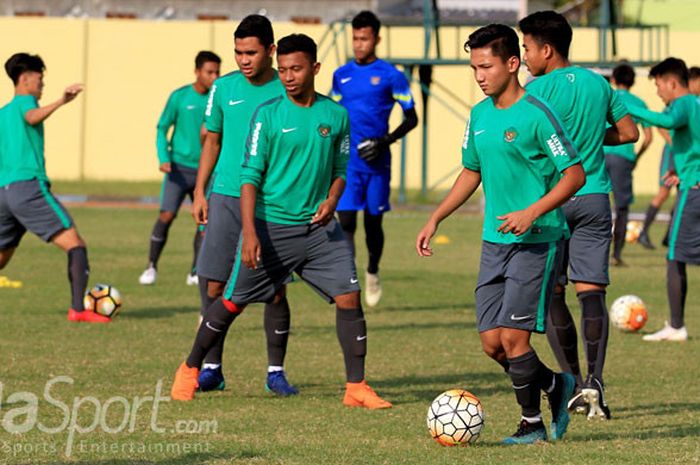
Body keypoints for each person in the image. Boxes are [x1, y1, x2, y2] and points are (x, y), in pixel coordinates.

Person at [171, 34, 391, 409]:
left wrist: (333, 199)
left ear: (315, 69)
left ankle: (356, 387)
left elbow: (340, 169)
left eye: (297, 68)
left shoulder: (335, 116)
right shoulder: (268, 115)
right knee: (231, 302)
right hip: (272, 227)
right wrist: (252, 233)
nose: (288, 76)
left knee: (349, 297)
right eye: (284, 69)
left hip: (320, 229)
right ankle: (190, 369)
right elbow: (249, 178)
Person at [417, 24, 585, 444]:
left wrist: (533, 211)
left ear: (512, 64)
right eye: (474, 67)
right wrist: (436, 216)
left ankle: (532, 424)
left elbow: (574, 174)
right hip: (495, 243)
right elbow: (471, 171)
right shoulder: (479, 115)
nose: (478, 75)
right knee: (492, 344)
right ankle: (555, 385)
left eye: (486, 66)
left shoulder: (537, 114)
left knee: (514, 338)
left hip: (537, 240)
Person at [518, 10, 639, 420]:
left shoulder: (534, 91)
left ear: (546, 50)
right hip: (593, 198)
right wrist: (588, 138)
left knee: (553, 295)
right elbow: (628, 133)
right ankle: (595, 383)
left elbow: (527, 145)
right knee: (592, 293)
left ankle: (569, 381)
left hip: (552, 201)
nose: (525, 56)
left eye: (527, 48)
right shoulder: (597, 83)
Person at [192, 15, 297, 395]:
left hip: (271, 202)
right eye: (237, 52)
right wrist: (200, 191)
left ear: (270, 50)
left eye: (251, 52)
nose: (243, 60)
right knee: (214, 286)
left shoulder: (286, 88)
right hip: (225, 197)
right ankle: (212, 368)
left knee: (275, 290)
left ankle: (275, 372)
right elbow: (212, 143)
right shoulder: (222, 89)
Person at [0, 53, 107, 323]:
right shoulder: (26, 103)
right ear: (24, 79)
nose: (42, 85)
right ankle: (78, 310)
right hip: (28, 189)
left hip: (4, 192)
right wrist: (62, 101)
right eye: (39, 79)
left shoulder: (3, 114)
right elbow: (33, 117)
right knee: (76, 245)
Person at [331, 10, 418, 307]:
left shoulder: (392, 76)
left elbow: (412, 118)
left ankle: (372, 271)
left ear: (376, 39)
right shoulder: (340, 75)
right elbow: (334, 116)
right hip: (348, 164)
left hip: (377, 163)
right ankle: (349, 280)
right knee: (345, 225)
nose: (358, 44)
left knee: (372, 225)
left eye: (364, 38)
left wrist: (385, 141)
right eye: (355, 38)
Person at [625, 58, 699, 342]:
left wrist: (629, 109)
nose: (658, 92)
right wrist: (682, 170)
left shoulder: (681, 103)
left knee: (674, 256)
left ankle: (677, 326)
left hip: (693, 192)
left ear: (671, 83)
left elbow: (667, 121)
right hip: (691, 181)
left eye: (658, 86)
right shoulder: (696, 104)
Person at [138, 51, 221, 286]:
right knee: (166, 215)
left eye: (217, 72)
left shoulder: (221, 98)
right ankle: (151, 267)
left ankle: (195, 271)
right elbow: (162, 127)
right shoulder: (180, 97)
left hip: (207, 171)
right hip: (178, 168)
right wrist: (163, 156)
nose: (214, 77)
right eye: (209, 72)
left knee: (203, 220)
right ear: (197, 72)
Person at [603, 63, 653, 265]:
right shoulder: (638, 103)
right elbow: (648, 137)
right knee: (621, 208)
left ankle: (598, 251)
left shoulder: (606, 96)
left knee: (598, 202)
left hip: (601, 153)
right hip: (623, 159)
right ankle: (617, 255)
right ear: (632, 81)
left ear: (613, 79)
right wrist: (636, 158)